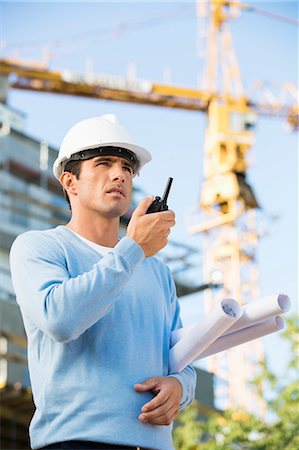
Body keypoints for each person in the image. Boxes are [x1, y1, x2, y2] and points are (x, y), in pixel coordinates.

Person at [10, 114, 196, 450]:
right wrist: (133, 248)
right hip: (75, 442)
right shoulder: (39, 247)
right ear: (70, 182)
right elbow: (61, 320)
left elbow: (181, 357)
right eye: (104, 163)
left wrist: (180, 387)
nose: (119, 174)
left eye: (127, 168)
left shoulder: (157, 271)